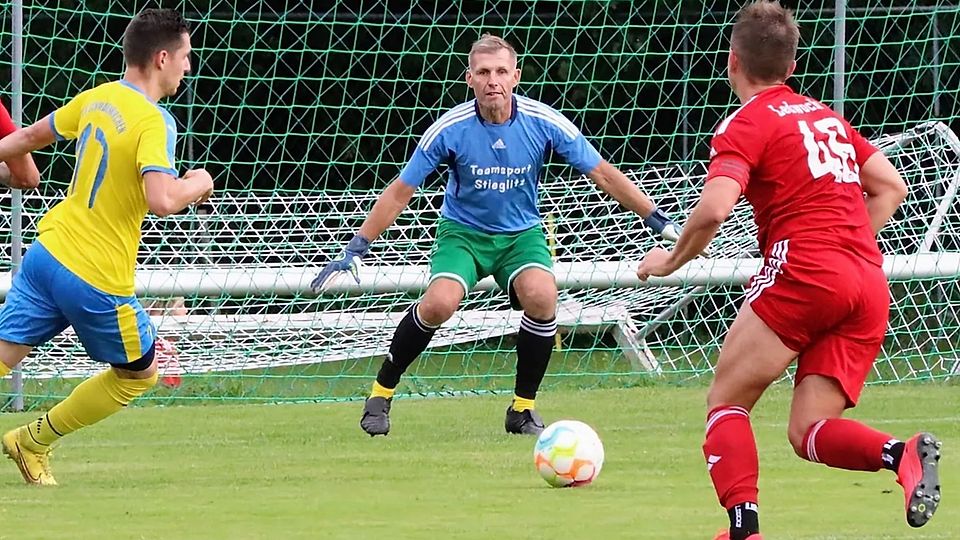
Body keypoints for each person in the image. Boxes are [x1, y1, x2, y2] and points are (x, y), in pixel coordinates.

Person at [636, 2, 940, 538]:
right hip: (866, 281)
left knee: (727, 402)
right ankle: (902, 455)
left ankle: (742, 530)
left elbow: (713, 209)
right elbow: (891, 187)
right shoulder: (824, 116)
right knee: (809, 432)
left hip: (805, 272)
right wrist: (843, 248)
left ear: (732, 61)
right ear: (792, 65)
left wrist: (670, 260)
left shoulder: (746, 122)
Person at [312, 33, 679, 437]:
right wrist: (358, 246)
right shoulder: (449, 129)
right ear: (469, 78)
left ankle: (522, 410)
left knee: (542, 296)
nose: (493, 81)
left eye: (501, 71)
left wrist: (657, 219)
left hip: (521, 236)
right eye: (484, 72)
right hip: (463, 235)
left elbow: (602, 172)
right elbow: (402, 191)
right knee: (438, 304)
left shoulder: (544, 122)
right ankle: (381, 392)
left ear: (516, 76)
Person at [0, 9, 214, 485]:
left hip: (47, 253)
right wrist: (198, 182)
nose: (188, 67)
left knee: (4, 353)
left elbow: (31, 137)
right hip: (95, 277)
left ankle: (29, 443)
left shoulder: (98, 98)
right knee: (141, 374)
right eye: (185, 57)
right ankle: (32, 440)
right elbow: (161, 200)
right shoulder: (155, 121)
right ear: (162, 58)